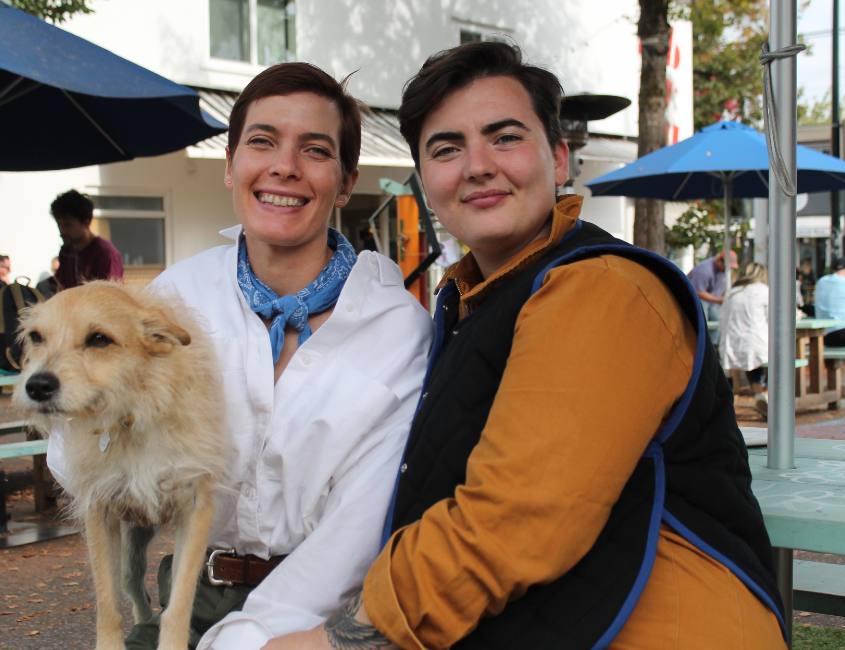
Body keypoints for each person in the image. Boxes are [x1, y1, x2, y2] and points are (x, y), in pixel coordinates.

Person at [267, 42, 785, 649]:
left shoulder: (601, 289)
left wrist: (338, 639)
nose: (478, 165)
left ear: (559, 157)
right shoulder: (478, 300)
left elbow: (513, 521)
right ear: (426, 181)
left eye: (505, 136)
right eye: (446, 149)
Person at [43, 63, 431, 649]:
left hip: (327, 614)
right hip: (190, 594)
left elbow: (355, 530)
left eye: (315, 150)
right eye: (261, 141)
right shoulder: (175, 298)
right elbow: (74, 457)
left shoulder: (397, 329)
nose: (284, 166)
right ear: (230, 166)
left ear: (346, 181)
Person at [718, 262, 770, 418]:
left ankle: (756, 392)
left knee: (753, 357)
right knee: (776, 354)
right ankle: (763, 392)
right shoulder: (764, 291)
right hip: (756, 346)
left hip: (730, 345)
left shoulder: (732, 292)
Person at [50, 189, 124, 289]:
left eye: (68, 225)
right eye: (59, 225)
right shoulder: (66, 251)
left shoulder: (105, 253)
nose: (62, 231)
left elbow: (111, 295)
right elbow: (61, 287)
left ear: (86, 222)